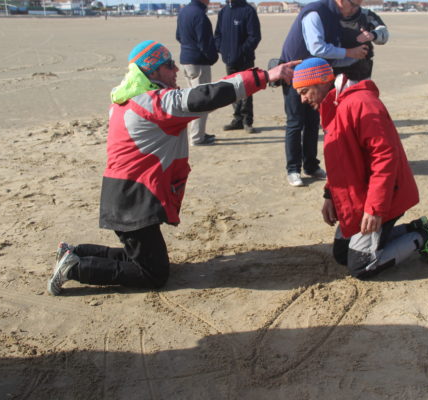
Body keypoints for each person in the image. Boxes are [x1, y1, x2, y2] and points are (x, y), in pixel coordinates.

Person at [47, 40, 299, 296]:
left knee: (143, 255)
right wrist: (266, 76)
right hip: (135, 200)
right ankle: (75, 268)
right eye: (168, 65)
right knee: (153, 275)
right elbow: (209, 94)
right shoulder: (155, 104)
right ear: (152, 72)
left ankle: (75, 252)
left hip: (123, 193)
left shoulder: (126, 100)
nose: (176, 69)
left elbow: (206, 92)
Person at [291, 58, 428, 279]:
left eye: (305, 91)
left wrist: (374, 209)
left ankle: (424, 234)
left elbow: (385, 157)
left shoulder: (361, 103)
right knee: (342, 254)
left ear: (321, 81)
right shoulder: (333, 106)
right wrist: (330, 196)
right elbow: (340, 160)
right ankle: (411, 229)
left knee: (362, 267)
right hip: (359, 196)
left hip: (384, 197)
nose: (302, 99)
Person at [279, 0, 369, 187]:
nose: (355, 9)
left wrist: (356, 58)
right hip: (294, 77)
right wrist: (350, 53)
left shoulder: (335, 16)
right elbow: (317, 48)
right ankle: (293, 169)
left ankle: (311, 165)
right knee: (295, 123)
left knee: (313, 122)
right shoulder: (315, 12)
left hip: (316, 80)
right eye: (353, 5)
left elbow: (329, 57)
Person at [214, 0, 261, 134]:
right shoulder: (223, 11)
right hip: (229, 60)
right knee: (232, 90)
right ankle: (237, 120)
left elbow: (254, 36)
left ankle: (247, 121)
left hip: (245, 60)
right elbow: (217, 35)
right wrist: (221, 49)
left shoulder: (248, 10)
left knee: (247, 90)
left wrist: (241, 51)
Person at [176, 0, 219, 146]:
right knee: (202, 100)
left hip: (186, 60)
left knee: (193, 99)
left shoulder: (184, 11)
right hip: (198, 62)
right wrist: (213, 58)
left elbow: (179, 36)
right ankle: (196, 137)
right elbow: (205, 43)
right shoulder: (200, 15)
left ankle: (198, 133)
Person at [335, 6, 389, 80]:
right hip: (333, 68)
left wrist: (373, 35)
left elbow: (384, 33)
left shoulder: (366, 14)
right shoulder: (329, 14)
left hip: (361, 70)